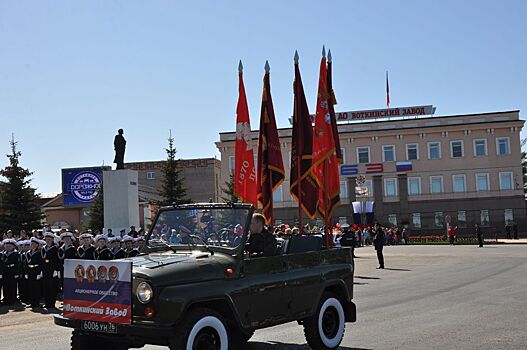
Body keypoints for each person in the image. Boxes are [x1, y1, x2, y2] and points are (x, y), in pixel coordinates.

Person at [41, 232, 60, 309]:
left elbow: (57, 260)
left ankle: (52, 304)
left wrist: (56, 270)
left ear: (52, 240)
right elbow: (41, 260)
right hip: (45, 270)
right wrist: (41, 270)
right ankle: (47, 303)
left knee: (52, 287)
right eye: (46, 239)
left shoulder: (55, 248)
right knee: (46, 287)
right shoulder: (43, 248)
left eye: (49, 239)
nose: (48, 241)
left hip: (52, 270)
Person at [1, 239, 21, 305]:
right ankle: (6, 298)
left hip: (12, 271)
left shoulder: (15, 254)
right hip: (5, 271)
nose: (7, 247)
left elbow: (18, 264)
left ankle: (12, 299)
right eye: (6, 246)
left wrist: (17, 273)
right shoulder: (2, 254)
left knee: (12, 285)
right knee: (5, 285)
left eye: (9, 246)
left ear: (13, 246)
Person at [26, 237, 43, 308]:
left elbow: (41, 263)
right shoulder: (28, 253)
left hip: (36, 270)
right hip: (30, 271)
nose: (32, 245)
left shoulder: (39, 252)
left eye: (33, 244)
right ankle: (32, 302)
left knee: (36, 287)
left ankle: (37, 302)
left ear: (36, 245)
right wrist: (26, 273)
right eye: (31, 244)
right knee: (30, 287)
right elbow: (26, 264)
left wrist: (39, 273)